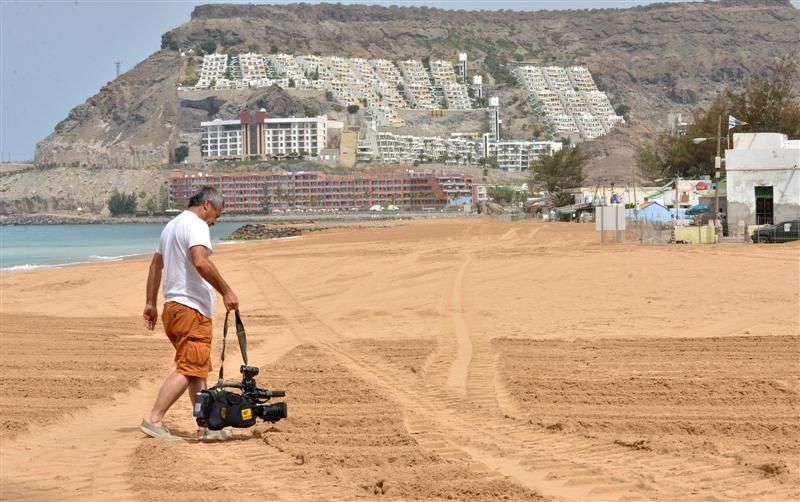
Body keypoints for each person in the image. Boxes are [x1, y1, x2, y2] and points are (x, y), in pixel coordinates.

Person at [140, 186, 239, 441]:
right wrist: (226, 290)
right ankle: (155, 419)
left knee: (197, 369)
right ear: (206, 205)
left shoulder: (171, 225)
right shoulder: (196, 225)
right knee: (189, 367)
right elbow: (200, 261)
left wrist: (150, 304)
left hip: (172, 308)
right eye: (218, 214)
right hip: (190, 308)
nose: (216, 221)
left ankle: (207, 425)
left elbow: (155, 265)